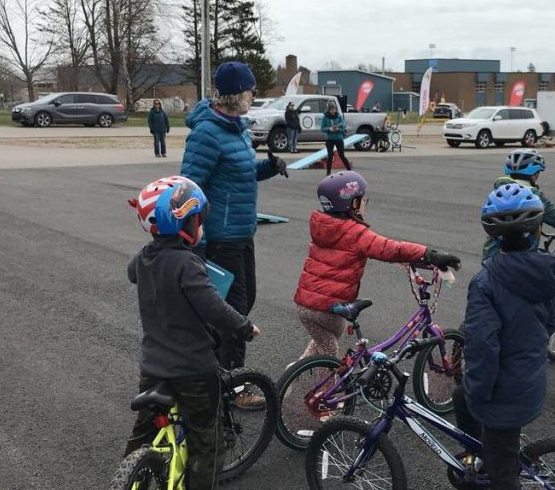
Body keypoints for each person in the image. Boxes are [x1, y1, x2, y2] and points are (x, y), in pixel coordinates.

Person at [124, 176, 259, 490]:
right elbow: (214, 308)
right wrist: (244, 327)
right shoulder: (188, 264)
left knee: (142, 434)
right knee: (205, 445)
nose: (201, 224)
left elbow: (132, 272)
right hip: (194, 372)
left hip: (153, 368)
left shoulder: (143, 259)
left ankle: (131, 483)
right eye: (197, 218)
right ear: (183, 222)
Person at [453, 183, 555, 490]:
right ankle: (484, 456)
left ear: (495, 236)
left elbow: (483, 347)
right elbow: (550, 324)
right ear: (538, 229)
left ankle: (494, 467)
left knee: (504, 475)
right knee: (459, 398)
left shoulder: (486, 282)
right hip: (529, 379)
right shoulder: (547, 270)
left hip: (503, 392)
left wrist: (479, 391)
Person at [181, 61, 287, 376]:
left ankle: (211, 366)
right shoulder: (208, 133)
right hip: (220, 236)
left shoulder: (237, 129)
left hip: (242, 231)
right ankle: (232, 379)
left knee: (246, 298)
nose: (253, 94)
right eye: (250, 89)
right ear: (235, 93)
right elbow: (189, 185)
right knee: (235, 308)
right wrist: (194, 235)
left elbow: (242, 173)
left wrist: (268, 167)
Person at [293, 171, 460, 358]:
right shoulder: (355, 233)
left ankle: (296, 372)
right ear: (354, 203)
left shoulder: (323, 226)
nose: (365, 204)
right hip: (325, 308)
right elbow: (390, 248)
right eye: (363, 200)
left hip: (305, 303)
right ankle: (329, 387)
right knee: (330, 351)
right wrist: (427, 253)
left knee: (324, 340)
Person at [481, 149, 555, 259]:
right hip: (521, 259)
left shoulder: (500, 192)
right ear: (535, 174)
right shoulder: (531, 196)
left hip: (491, 256)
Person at [321, 102, 351, 174]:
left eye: (334, 109)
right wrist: (329, 129)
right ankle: (328, 172)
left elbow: (343, 126)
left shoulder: (339, 116)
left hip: (339, 139)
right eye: (331, 109)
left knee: (342, 156)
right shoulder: (325, 117)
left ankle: (349, 171)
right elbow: (322, 128)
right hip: (330, 139)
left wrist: (338, 129)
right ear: (329, 110)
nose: (333, 111)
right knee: (330, 156)